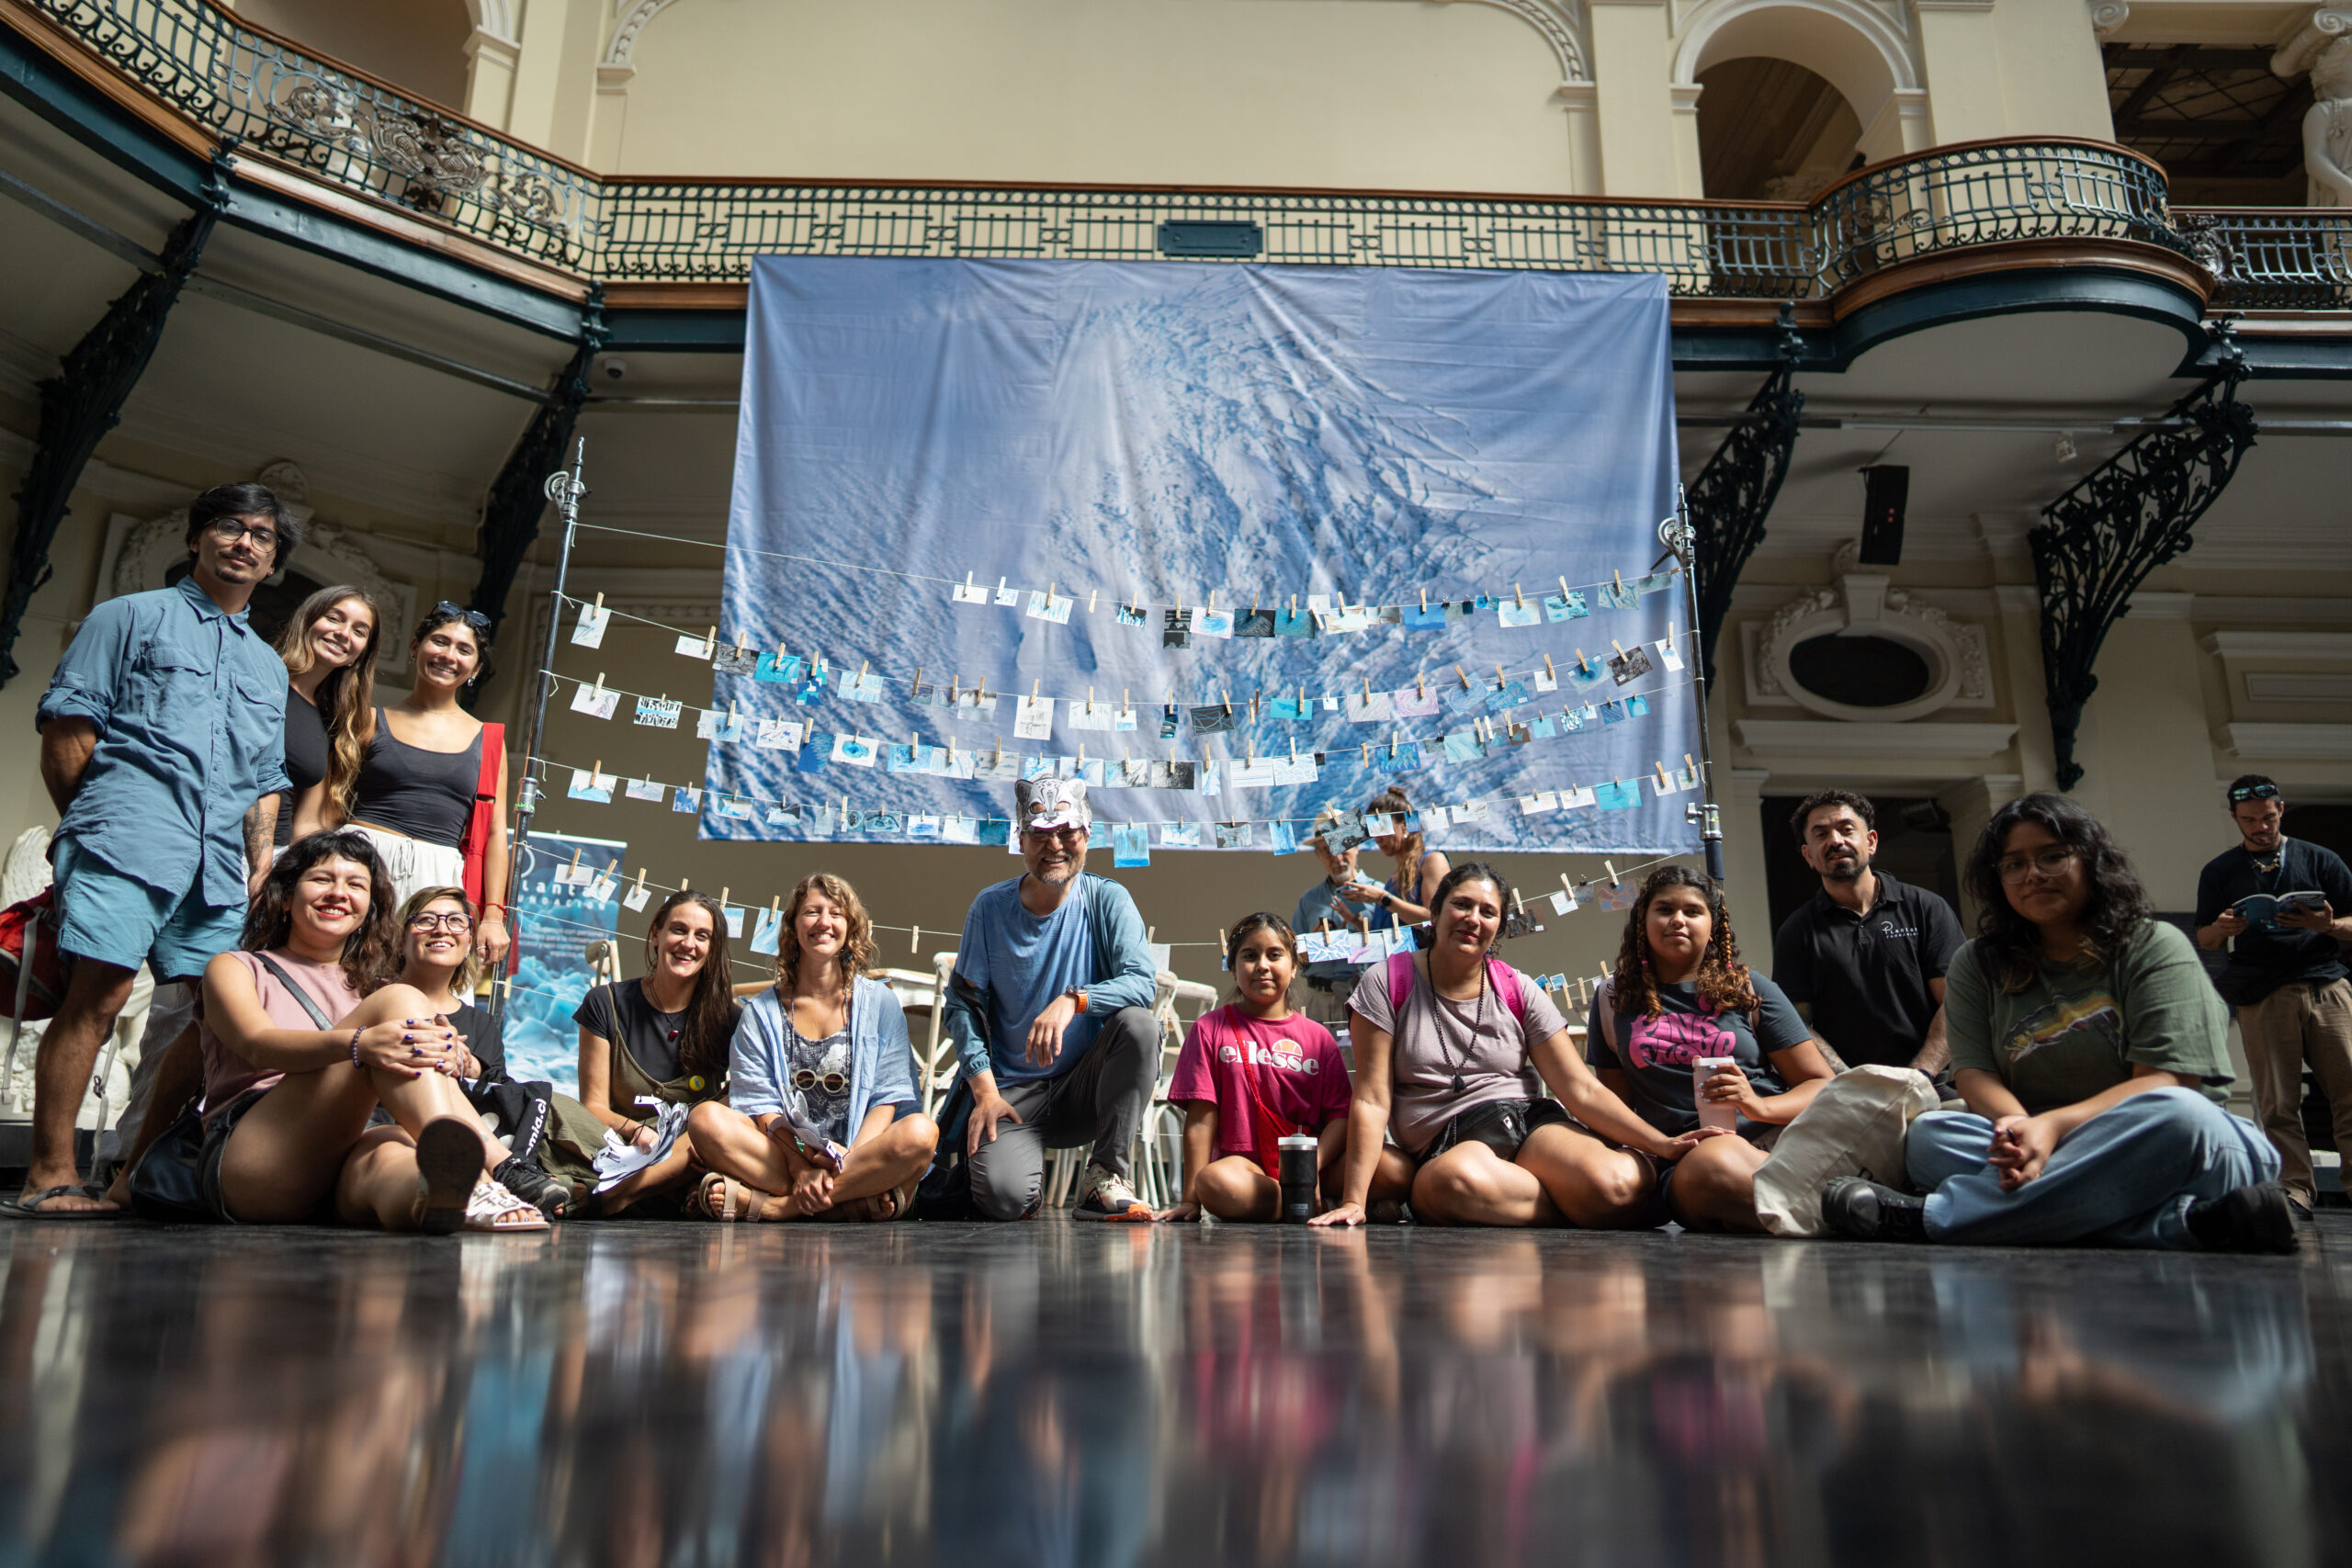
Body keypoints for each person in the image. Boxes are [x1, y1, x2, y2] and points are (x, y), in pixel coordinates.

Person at [1823, 793, 2295, 1252]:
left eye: (2051, 857)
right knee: (1928, 1139)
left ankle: (1930, 1219)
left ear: (2090, 861)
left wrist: (2050, 1131)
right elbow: (1974, 1073)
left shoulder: (2152, 944)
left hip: (2169, 1141)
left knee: (2181, 1116)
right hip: (2038, 1134)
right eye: (2014, 864)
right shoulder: (1976, 963)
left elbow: (2165, 1082)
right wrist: (2016, 1126)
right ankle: (2187, 1223)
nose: (2032, 875)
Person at [16, 483, 298, 1217]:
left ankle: (131, 1176)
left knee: (218, 1019)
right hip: (126, 839)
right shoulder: (128, 616)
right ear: (199, 537)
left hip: (217, 868)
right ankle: (49, 1174)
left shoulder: (269, 668)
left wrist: (258, 859)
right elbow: (68, 729)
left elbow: (266, 778)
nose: (245, 543)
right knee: (100, 995)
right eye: (230, 527)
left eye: (262, 536)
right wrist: (96, 824)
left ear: (272, 561)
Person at [1315, 863, 1724, 1228]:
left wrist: (1659, 1143)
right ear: (1435, 914)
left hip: (1526, 1123)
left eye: (1488, 912)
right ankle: (1581, 1207)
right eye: (1461, 905)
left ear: (1499, 927)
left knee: (1615, 1183)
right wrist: (1355, 1200)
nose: (1473, 919)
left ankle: (1588, 1200)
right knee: (1451, 1182)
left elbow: (1580, 1088)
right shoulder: (1387, 982)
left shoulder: (1515, 987)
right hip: (1449, 1141)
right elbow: (1370, 1098)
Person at [188, 830, 546, 1231]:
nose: (339, 893)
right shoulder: (236, 967)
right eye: (322, 879)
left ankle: (447, 1198)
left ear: (369, 910)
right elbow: (256, 1046)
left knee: (393, 1157)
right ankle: (492, 1174)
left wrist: (445, 1055)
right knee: (401, 1003)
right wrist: (361, 1044)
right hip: (258, 1159)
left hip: (345, 1157)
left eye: (355, 884)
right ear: (285, 897)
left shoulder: (370, 987)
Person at [936, 777, 1162, 1222]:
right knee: (1003, 1199)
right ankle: (1022, 1185)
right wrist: (984, 1091)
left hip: (1085, 1090)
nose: (1054, 845)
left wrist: (1074, 1000)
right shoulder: (989, 907)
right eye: (1040, 834)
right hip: (1011, 1094)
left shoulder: (1107, 899)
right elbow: (961, 1005)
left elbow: (1141, 983)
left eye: (1066, 833)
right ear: (1021, 840)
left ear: (1086, 836)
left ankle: (1106, 1177)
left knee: (1140, 1025)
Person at [1589, 865, 1836, 1232]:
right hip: (1685, 1161)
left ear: (1713, 924)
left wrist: (1759, 1104)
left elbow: (1821, 1086)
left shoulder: (1751, 989)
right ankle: (1846, 1215)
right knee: (1715, 1164)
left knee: (1725, 1160)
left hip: (1775, 1145)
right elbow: (1616, 1110)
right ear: (1643, 921)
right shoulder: (1613, 1000)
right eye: (1664, 909)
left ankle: (1839, 1215)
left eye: (1692, 911)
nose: (1677, 920)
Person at [686, 873, 939, 1222]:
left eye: (836, 913)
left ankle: (779, 1207)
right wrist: (800, 1165)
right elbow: (760, 1107)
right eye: (812, 912)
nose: (824, 922)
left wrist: (848, 1160)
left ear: (850, 927)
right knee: (704, 1119)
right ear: (793, 927)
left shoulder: (881, 1003)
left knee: (923, 1132)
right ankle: (847, 1201)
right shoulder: (760, 1013)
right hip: (783, 1155)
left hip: (856, 1155)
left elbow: (888, 1098)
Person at [2192, 774, 2352, 1221]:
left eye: (2266, 817)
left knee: (2349, 1093)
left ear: (2280, 809)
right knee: (2278, 1101)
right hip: (2263, 992)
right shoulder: (2220, 871)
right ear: (2234, 818)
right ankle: (2296, 1190)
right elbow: (2203, 938)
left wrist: (2328, 926)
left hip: (2326, 986)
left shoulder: (2320, 859)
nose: (2260, 827)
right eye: (2249, 820)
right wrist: (2222, 930)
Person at [542, 889, 742, 1215]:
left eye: (702, 936)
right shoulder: (604, 1002)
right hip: (617, 1145)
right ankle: (656, 1193)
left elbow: (739, 1104)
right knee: (545, 1101)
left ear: (713, 948)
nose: (688, 943)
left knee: (713, 1133)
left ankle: (608, 1195)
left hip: (687, 1151)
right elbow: (593, 1105)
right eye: (678, 930)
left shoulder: (731, 1019)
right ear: (656, 935)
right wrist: (637, 1132)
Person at [1158, 914, 1353, 1222]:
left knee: (1394, 1170)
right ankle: (1308, 1207)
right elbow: (1200, 1119)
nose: (1262, 965)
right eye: (1249, 956)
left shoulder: (1319, 1038)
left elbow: (1340, 1118)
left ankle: (1303, 1202)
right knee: (1213, 1182)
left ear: (1293, 968)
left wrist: (1307, 1170)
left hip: (1314, 1165)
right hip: (1245, 1170)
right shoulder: (1209, 1029)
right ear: (1233, 968)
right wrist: (1191, 1201)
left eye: (1275, 955)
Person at [346, 604, 511, 966]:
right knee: (346, 977)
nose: (449, 655)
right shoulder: (368, 721)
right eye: (439, 641)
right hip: (362, 864)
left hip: (437, 878)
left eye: (464, 649)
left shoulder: (489, 741)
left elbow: (497, 833)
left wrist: (494, 917)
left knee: (424, 992)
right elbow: (328, 806)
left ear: (476, 669)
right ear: (415, 646)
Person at [390, 886, 568, 1217]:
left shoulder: (481, 1024)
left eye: (456, 921)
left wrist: (471, 1068)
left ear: (470, 942)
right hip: (395, 1134)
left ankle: (494, 1182)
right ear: (401, 936)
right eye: (426, 919)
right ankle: (495, 1184)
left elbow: (502, 1095)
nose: (441, 929)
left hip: (471, 1140)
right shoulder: (376, 1000)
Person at [1770, 789, 1963, 1076]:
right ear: (1809, 855)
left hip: (1932, 1081)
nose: (1836, 841)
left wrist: (1920, 1075)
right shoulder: (1797, 931)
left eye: (1846, 830)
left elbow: (1957, 1003)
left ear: (1871, 842)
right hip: (1846, 1091)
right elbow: (1797, 1024)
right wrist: (1853, 1082)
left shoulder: (1926, 908)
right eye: (1821, 834)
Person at [277, 584, 382, 845]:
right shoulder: (261, 679)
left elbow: (307, 822)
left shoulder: (332, 721)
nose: (343, 633)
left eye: (359, 631)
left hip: (271, 862)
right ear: (308, 620)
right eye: (334, 618)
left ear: (360, 654)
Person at [1291, 807, 1374, 1052]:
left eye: (1343, 848)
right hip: (1317, 999)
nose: (1337, 858)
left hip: (1362, 999)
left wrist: (1361, 930)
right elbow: (1293, 959)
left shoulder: (1378, 895)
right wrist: (1310, 944)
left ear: (1357, 847)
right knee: (1313, 1072)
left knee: (1355, 1075)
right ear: (1318, 855)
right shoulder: (1309, 900)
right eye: (1328, 850)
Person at [1339, 787, 1449, 931]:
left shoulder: (1433, 861)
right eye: (1373, 830)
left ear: (1404, 826)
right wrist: (1357, 921)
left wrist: (1382, 898)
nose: (1377, 838)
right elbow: (1394, 932)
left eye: (1381, 827)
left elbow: (1436, 920)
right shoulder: (1393, 879)